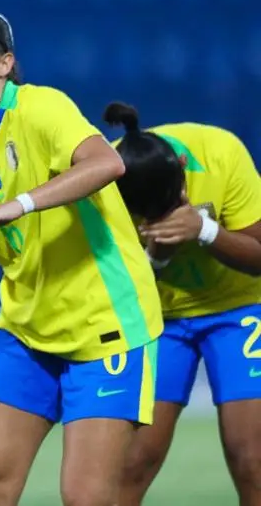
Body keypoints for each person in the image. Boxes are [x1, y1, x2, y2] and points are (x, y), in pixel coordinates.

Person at [0, 7, 163, 506]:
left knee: (85, 498)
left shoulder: (40, 109)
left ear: (5, 63)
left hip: (104, 328)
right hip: (25, 329)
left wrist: (15, 206)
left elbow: (108, 162)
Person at [104, 104, 261, 505]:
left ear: (183, 171)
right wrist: (157, 256)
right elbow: (109, 285)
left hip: (240, 309)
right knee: (132, 464)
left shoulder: (220, 153)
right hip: (159, 318)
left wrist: (205, 231)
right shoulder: (102, 177)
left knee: (252, 460)